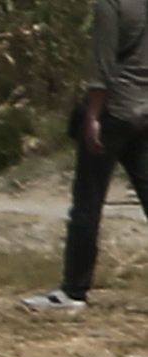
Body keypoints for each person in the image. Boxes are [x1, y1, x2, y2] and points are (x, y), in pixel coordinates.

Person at [31, 0, 148, 310]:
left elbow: (102, 68)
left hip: (113, 113)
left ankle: (74, 290)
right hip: (144, 113)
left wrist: (93, 116)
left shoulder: (111, 5)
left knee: (87, 204)